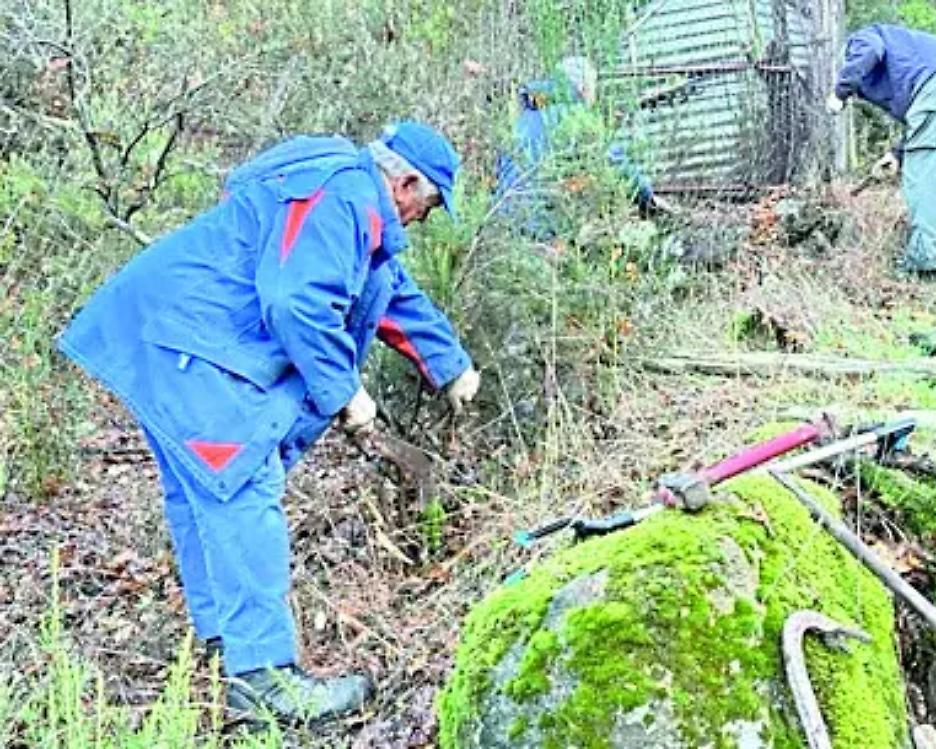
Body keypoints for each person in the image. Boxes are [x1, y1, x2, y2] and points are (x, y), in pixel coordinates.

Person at [57, 122, 480, 724]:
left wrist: (451, 365)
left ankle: (226, 646)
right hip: (189, 347)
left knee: (203, 494)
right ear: (406, 183)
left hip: (160, 334)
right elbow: (297, 303)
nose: (423, 220)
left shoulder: (353, 201)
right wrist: (348, 394)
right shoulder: (344, 198)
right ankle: (264, 680)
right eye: (429, 206)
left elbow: (386, 287)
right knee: (242, 488)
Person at [827, 24, 936, 275]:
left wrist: (840, 92)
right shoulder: (906, 57)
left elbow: (870, 50)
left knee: (924, 175)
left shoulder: (862, 39)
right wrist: (897, 154)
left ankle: (924, 261)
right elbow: (924, 124)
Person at [493, 56, 674, 240]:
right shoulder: (575, 118)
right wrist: (647, 199)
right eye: (593, 87)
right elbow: (613, 161)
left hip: (501, 224)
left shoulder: (522, 121)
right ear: (582, 88)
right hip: (539, 225)